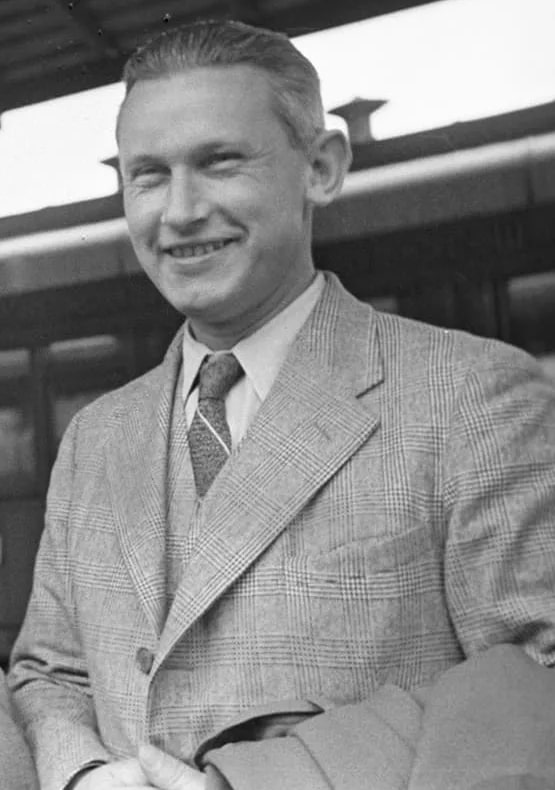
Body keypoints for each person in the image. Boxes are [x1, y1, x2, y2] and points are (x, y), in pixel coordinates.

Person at [8, 18, 555, 790]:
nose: (179, 211)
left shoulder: (472, 395)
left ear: (321, 168)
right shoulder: (97, 435)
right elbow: (49, 672)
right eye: (148, 175)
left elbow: (536, 680)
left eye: (220, 162)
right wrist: (83, 773)